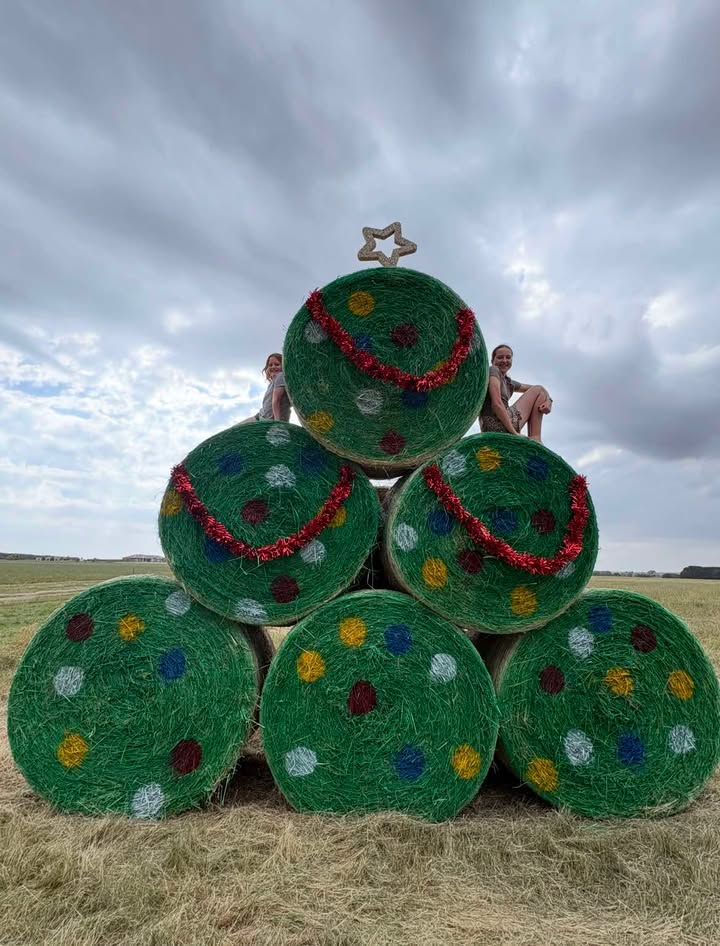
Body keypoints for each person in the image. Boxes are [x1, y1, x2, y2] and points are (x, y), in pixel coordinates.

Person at [479, 344, 552, 442]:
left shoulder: (509, 382)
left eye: (508, 357)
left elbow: (539, 389)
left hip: (500, 424)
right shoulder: (493, 370)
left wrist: (549, 400)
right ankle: (536, 438)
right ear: (493, 361)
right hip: (495, 423)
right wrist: (514, 433)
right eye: (500, 357)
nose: (505, 361)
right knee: (538, 390)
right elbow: (496, 404)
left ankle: (535, 439)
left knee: (539, 391)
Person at [241, 353, 291, 423]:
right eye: (270, 365)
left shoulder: (281, 376)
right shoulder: (272, 383)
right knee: (233, 430)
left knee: (233, 431)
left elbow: (276, 400)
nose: (273, 367)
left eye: (277, 364)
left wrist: (277, 422)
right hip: (260, 417)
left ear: (283, 366)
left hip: (267, 420)